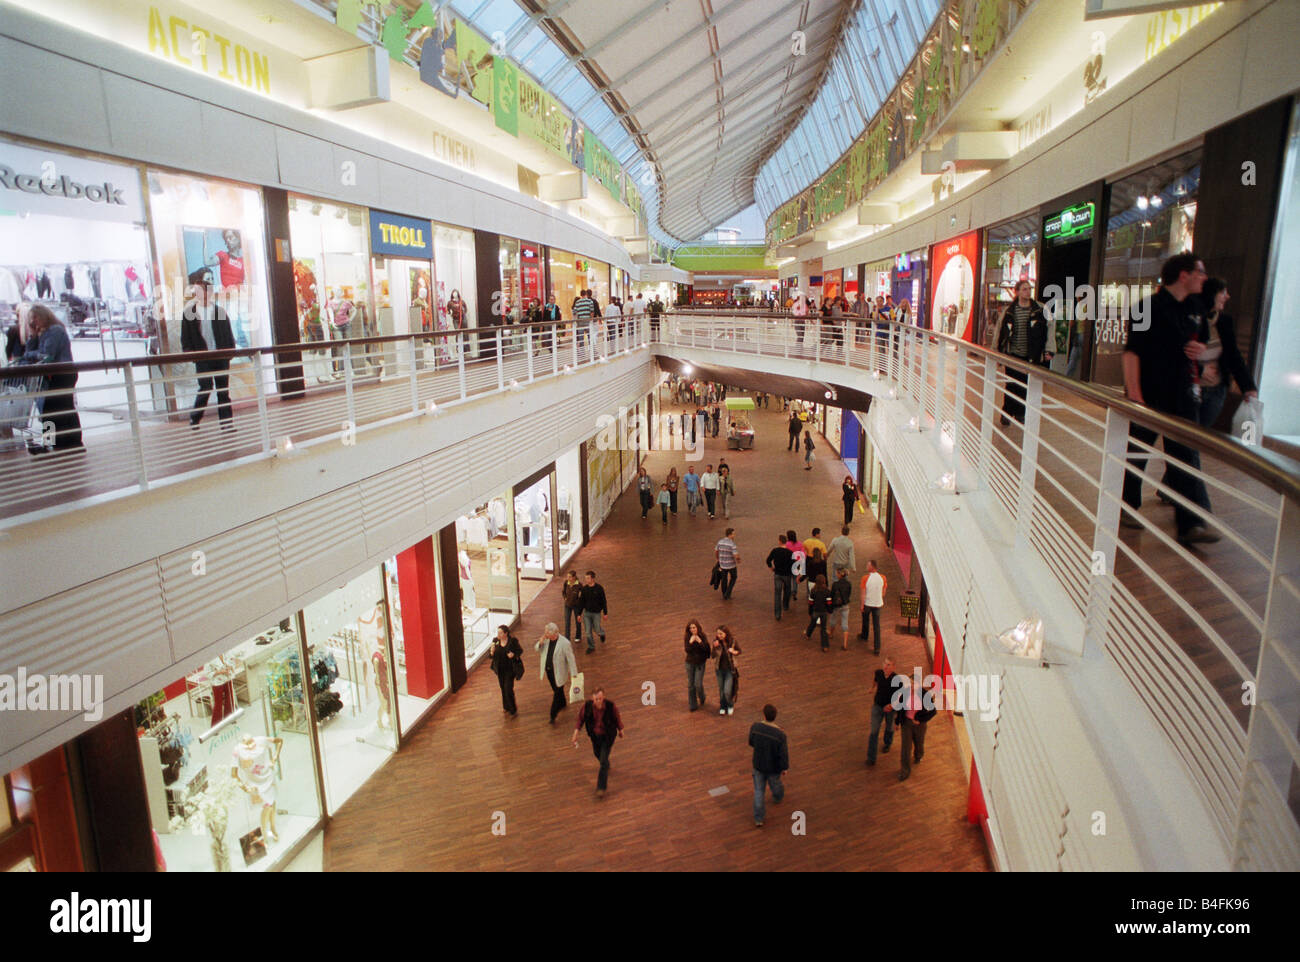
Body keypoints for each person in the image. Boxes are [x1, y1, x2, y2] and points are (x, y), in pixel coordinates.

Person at [1121, 253, 1217, 546]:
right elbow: (1131, 353)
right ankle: (1127, 505)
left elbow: (1201, 347)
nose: (1204, 278)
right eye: (1200, 272)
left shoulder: (1197, 308)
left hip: (1184, 396)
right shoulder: (1146, 308)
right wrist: (1135, 395)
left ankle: (1192, 523)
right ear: (1184, 275)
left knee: (1186, 457)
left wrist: (1202, 356)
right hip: (1150, 395)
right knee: (1137, 451)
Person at [1194, 277, 1258, 429]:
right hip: (1190, 389)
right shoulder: (1190, 318)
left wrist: (1248, 387)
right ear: (1211, 294)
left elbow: (1233, 355)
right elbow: (1177, 352)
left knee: (1200, 435)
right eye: (1222, 292)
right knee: (1184, 438)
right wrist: (1200, 370)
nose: (1227, 296)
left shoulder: (1224, 321)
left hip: (1216, 390)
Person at [19, 304, 83, 454]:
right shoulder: (46, 332)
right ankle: (65, 442)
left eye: (35, 317)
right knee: (61, 408)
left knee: (54, 408)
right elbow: (34, 352)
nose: (33, 321)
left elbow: (47, 356)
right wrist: (32, 336)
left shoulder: (55, 331)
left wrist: (29, 355)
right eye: (31, 318)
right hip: (58, 374)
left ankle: (56, 443)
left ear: (44, 316)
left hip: (61, 375)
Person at [181, 273, 237, 430]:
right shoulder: (189, 313)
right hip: (202, 357)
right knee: (205, 387)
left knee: (223, 390)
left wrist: (230, 352)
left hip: (220, 356)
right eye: (196, 290)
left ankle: (227, 423)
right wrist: (190, 354)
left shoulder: (219, 311)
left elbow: (228, 332)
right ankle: (195, 418)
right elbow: (185, 337)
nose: (197, 293)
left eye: (200, 290)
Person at [996, 280, 1048, 426]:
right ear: (1017, 292)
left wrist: (1049, 350)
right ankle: (1007, 413)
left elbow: (1049, 329)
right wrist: (997, 353)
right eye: (1024, 289)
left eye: (1029, 289)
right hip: (1013, 354)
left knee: (1025, 385)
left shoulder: (1039, 309)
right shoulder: (1010, 310)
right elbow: (1000, 331)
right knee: (1011, 384)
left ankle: (1020, 413)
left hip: (1031, 355)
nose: (1028, 291)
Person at [571, 687, 624, 798]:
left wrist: (620, 730)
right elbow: (580, 719)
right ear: (592, 698)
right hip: (595, 736)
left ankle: (601, 787)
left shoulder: (610, 706)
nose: (598, 701)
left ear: (603, 697)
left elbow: (617, 718)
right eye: (596, 699)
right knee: (597, 753)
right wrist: (576, 734)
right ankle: (605, 763)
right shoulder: (587, 707)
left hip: (608, 736)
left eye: (600, 699)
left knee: (603, 762)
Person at [748, 704, 789, 828]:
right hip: (773, 767)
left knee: (759, 792)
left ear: (764, 715)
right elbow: (783, 753)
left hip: (759, 764)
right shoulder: (780, 735)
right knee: (775, 784)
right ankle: (778, 796)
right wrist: (784, 767)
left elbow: (751, 742)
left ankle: (758, 819)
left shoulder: (755, 727)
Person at [534, 622, 578, 725]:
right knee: (556, 688)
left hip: (559, 672)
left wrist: (573, 673)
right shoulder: (546, 640)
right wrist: (540, 642)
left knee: (557, 692)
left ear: (554, 633)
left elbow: (571, 659)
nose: (545, 634)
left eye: (547, 633)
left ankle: (553, 714)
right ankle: (562, 703)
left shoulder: (565, 643)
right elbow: (536, 649)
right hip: (549, 671)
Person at [897, 673, 938, 781]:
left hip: (919, 725)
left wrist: (920, 720)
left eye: (913, 684)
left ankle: (918, 755)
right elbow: (900, 708)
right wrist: (897, 722)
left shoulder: (925, 695)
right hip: (906, 723)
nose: (911, 686)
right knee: (905, 747)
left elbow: (933, 711)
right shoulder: (905, 693)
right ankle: (905, 770)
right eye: (910, 683)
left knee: (919, 743)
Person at [865, 657, 899, 766]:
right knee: (873, 732)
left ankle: (887, 743)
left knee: (889, 727)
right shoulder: (878, 673)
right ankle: (871, 758)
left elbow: (900, 696)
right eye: (885, 663)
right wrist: (872, 688)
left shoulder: (897, 680)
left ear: (893, 667)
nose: (885, 666)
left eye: (889, 665)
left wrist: (892, 706)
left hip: (890, 709)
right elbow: (875, 680)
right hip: (878, 706)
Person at [489, 625, 523, 717]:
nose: (498, 635)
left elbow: (520, 651)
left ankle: (513, 709)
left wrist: (513, 654)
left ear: (506, 633)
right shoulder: (495, 641)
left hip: (510, 669)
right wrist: (492, 652)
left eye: (500, 633)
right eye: (498, 633)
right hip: (500, 669)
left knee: (508, 688)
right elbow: (492, 656)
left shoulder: (512, 641)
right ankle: (506, 706)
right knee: (503, 688)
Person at [711, 625, 741, 715]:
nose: (719, 636)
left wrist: (733, 651)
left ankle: (730, 704)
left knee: (727, 691)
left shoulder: (732, 641)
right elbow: (712, 656)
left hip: (729, 670)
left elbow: (739, 651)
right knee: (721, 690)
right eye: (718, 634)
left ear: (726, 634)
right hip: (719, 670)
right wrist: (715, 647)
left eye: (721, 634)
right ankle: (723, 706)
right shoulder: (716, 642)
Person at [765, 533, 796, 620]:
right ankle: (785, 605)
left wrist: (771, 567)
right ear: (786, 542)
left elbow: (768, 560)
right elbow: (794, 564)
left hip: (777, 574)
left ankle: (777, 614)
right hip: (787, 575)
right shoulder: (790, 553)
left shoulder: (775, 550)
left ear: (779, 541)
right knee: (787, 590)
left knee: (777, 594)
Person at [859, 560, 887, 654]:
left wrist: (862, 605)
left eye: (868, 565)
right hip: (878, 604)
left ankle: (864, 635)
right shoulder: (883, 578)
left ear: (872, 567)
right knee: (876, 626)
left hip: (867, 604)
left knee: (865, 620)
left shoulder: (865, 578)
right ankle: (877, 648)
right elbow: (883, 592)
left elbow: (863, 593)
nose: (866, 566)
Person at [683, 619, 710, 712]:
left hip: (700, 664)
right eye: (690, 628)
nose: (692, 630)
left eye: (694, 627)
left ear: (697, 627)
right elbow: (687, 650)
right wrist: (690, 642)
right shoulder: (687, 637)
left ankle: (702, 696)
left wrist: (699, 641)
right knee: (691, 685)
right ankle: (693, 704)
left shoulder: (702, 636)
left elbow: (707, 650)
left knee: (698, 684)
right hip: (689, 663)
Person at [580, 570, 608, 651]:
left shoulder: (599, 588)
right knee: (588, 632)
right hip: (587, 614)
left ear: (593, 579)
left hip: (596, 613)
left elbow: (604, 601)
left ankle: (602, 634)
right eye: (586, 578)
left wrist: (605, 613)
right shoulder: (584, 589)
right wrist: (579, 613)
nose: (586, 580)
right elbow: (581, 601)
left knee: (597, 629)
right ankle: (591, 646)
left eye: (588, 578)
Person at [805, 573, 833, 651]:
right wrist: (830, 610)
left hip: (815, 611)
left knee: (812, 624)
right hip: (824, 612)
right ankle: (825, 646)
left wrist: (810, 612)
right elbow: (829, 602)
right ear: (824, 581)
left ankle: (808, 634)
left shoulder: (813, 591)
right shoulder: (827, 591)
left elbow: (810, 602)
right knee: (823, 628)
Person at [714, 527, 740, 600]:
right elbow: (735, 555)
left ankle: (724, 593)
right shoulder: (732, 544)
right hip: (731, 565)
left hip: (722, 564)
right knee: (734, 577)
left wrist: (718, 559)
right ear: (730, 535)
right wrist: (738, 559)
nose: (734, 535)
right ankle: (728, 593)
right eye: (733, 534)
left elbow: (716, 551)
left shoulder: (720, 542)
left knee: (724, 579)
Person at [831, 567, 853, 650]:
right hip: (845, 605)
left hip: (836, 605)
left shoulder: (835, 584)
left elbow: (832, 595)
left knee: (833, 620)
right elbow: (849, 594)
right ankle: (845, 644)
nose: (836, 574)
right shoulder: (849, 584)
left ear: (840, 574)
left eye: (837, 573)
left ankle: (831, 634)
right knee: (845, 624)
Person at [561, 570, 583, 646]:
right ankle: (567, 638)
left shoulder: (579, 585)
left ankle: (578, 636)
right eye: (567, 576)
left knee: (578, 621)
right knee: (567, 622)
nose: (568, 578)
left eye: (569, 577)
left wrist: (578, 602)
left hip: (576, 606)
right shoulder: (566, 583)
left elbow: (582, 596)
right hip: (567, 605)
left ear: (574, 577)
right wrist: (565, 598)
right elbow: (563, 592)